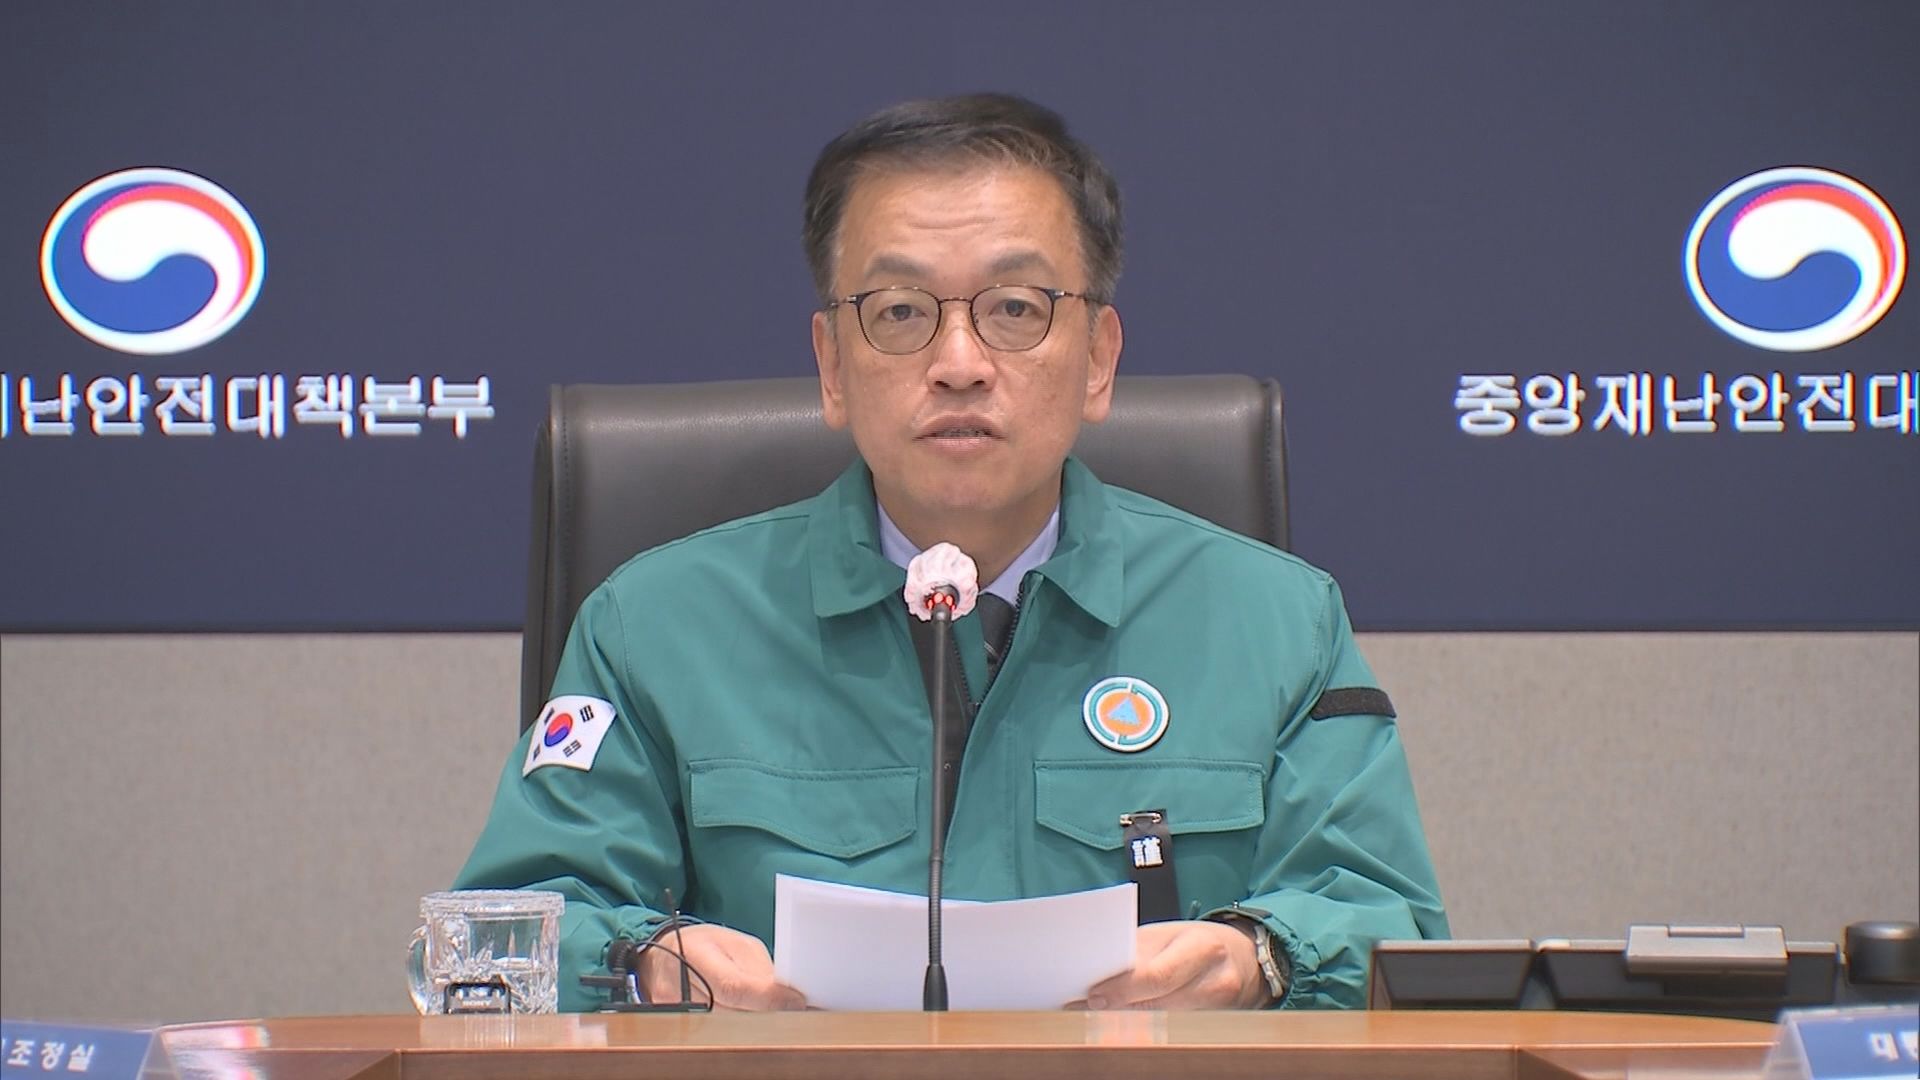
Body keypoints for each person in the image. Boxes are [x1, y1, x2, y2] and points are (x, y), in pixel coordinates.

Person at [455, 92, 1447, 1012]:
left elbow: (1396, 934)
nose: (960, 363)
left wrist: (1260, 960)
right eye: (899, 312)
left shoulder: (1277, 622)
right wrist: (639, 965)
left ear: (1098, 360)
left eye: (1016, 308)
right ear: (831, 366)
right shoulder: (655, 625)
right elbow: (491, 948)